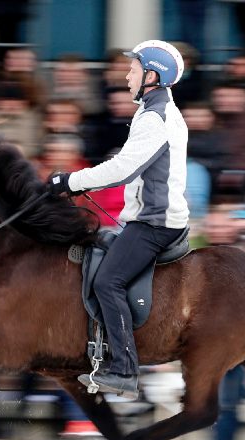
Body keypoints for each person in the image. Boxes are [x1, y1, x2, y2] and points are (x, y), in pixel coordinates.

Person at [46, 40, 190, 399]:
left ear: (152, 76)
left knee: (108, 281)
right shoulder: (153, 109)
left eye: (134, 70)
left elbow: (124, 169)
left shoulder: (156, 117)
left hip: (155, 223)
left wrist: (71, 181)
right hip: (149, 217)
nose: (126, 75)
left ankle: (123, 369)